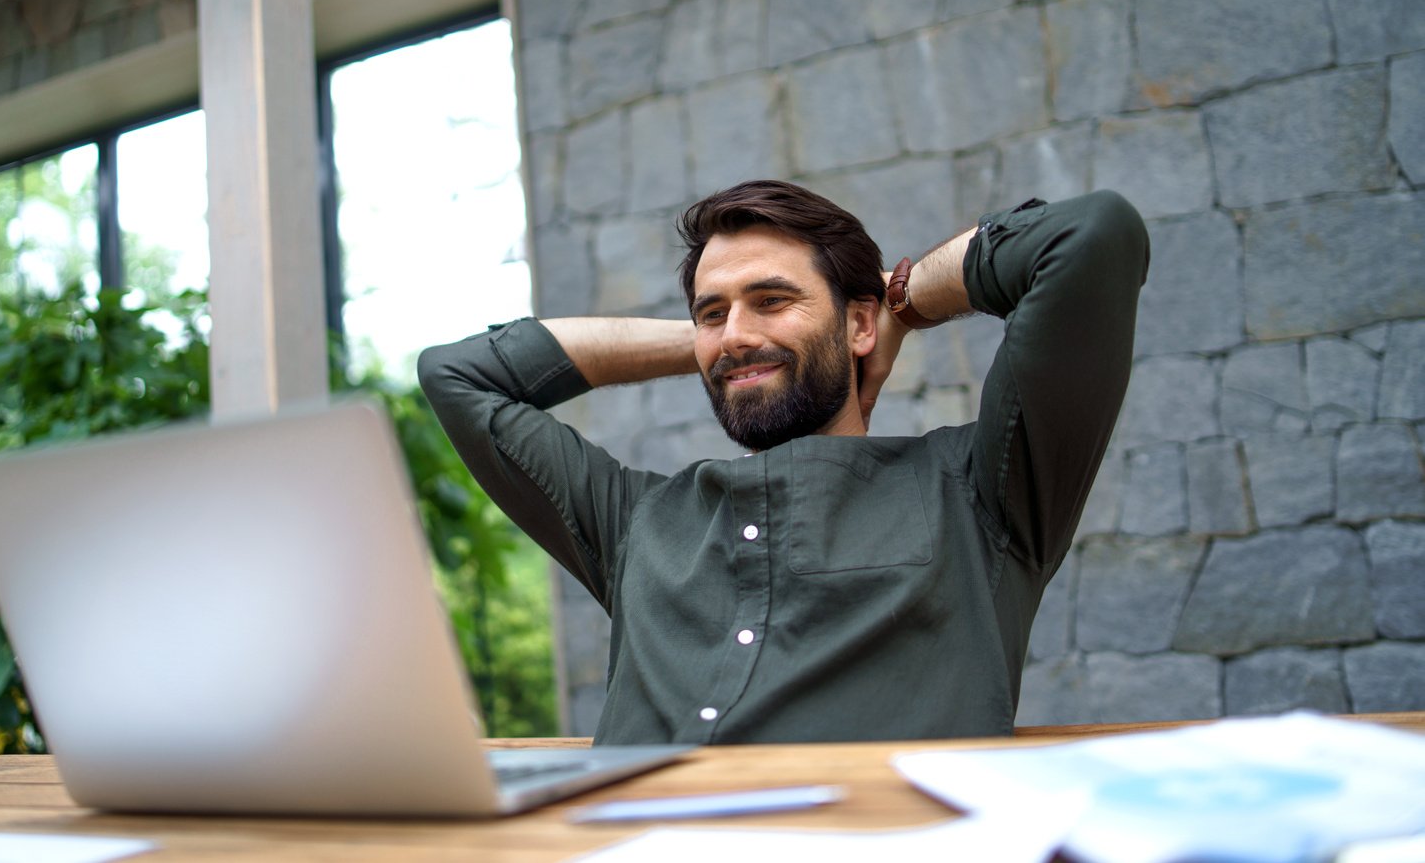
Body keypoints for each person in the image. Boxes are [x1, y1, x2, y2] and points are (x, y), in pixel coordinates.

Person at [418, 181, 1148, 744]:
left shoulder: (981, 495)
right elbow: (457, 375)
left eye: (772, 299)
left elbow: (1089, 236)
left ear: (856, 321)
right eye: (712, 310)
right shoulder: (634, 521)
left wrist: (902, 303)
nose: (734, 331)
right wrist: (721, 343)